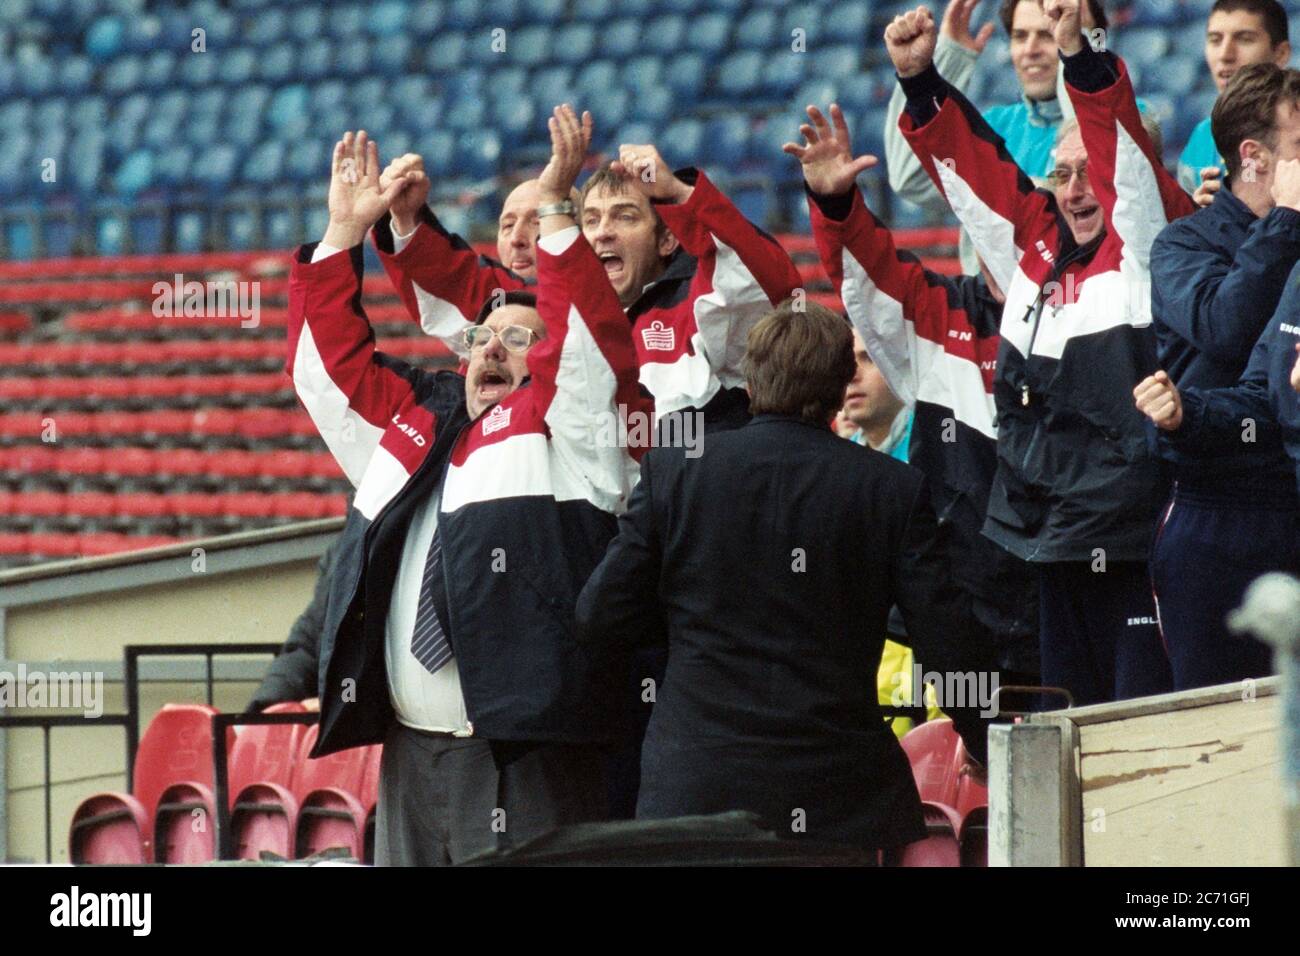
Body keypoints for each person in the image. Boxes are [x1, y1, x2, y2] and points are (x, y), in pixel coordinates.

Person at [286, 109, 651, 865]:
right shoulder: (424, 416)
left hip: (527, 760)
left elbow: (587, 351)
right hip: (409, 755)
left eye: (520, 337)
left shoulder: (573, 430)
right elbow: (325, 377)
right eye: (484, 336)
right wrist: (342, 236)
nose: (494, 345)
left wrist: (556, 209)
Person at [574, 298, 995, 852]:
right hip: (834, 789)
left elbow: (599, 615)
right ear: (842, 385)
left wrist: (688, 628)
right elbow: (945, 635)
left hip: (696, 780)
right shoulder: (890, 487)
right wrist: (984, 740)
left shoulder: (675, 470)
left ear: (751, 382)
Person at [889, 0, 1194, 705]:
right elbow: (975, 174)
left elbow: (1126, 164)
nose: (1075, 189)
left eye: (1089, 172)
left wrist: (1080, 58)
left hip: (1128, 534)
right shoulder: (1034, 248)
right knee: (1065, 738)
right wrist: (921, 83)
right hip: (1045, 534)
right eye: (1061, 175)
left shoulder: (1143, 244)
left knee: (1135, 729)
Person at [790, 102, 1041, 693]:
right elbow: (872, 278)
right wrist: (837, 207)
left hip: (1071, 590)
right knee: (967, 768)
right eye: (983, 228)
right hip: (965, 612)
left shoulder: (1091, 302)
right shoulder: (943, 312)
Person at [375, 147, 801, 432]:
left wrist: (676, 192)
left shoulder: (696, 309)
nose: (602, 234)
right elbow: (461, 285)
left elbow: (764, 285)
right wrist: (407, 220)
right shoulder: (544, 313)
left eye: (625, 217)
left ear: (667, 240)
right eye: (592, 220)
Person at [1146, 62, 1300, 690]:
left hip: (1291, 497)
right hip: (1220, 515)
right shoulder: (1182, 245)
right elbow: (1226, 328)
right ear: (1255, 157)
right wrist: (1285, 224)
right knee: (1219, 730)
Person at [883, 0, 1110, 274]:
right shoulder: (993, 125)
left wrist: (1078, 51)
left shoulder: (1131, 123)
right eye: (1019, 36)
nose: (1030, 50)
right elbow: (912, 179)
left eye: (1048, 34)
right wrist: (946, 61)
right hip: (993, 312)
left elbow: (1090, 137)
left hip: (1082, 300)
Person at [1178, 0, 1292, 199]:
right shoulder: (1202, 137)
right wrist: (1200, 216)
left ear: (1280, 54)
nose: (1225, 55)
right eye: (1215, 40)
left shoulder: (1294, 130)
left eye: (1244, 39)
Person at [246, 538, 335, 713]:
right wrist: (269, 706)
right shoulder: (343, 550)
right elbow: (305, 648)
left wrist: (341, 703)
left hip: (386, 730)